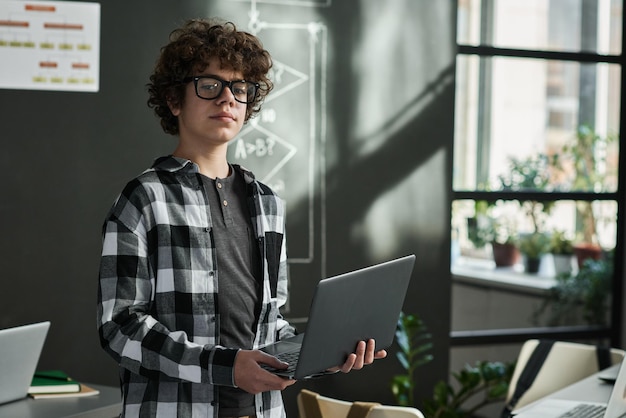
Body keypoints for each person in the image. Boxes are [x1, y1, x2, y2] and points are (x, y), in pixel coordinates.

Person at [97, 18, 386, 418]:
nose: (228, 99)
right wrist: (227, 368)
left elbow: (272, 327)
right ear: (174, 100)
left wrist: (324, 354)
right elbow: (119, 328)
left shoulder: (266, 202)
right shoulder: (144, 198)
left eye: (240, 88)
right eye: (210, 85)